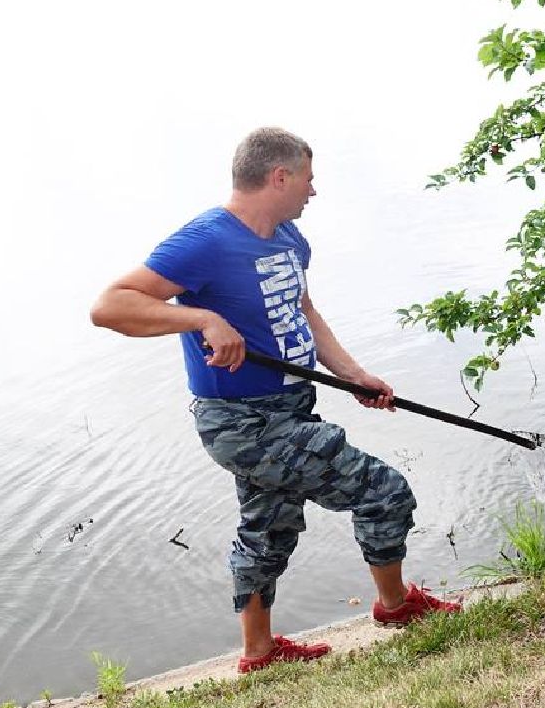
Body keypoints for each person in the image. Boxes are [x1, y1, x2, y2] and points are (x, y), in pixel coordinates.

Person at [91, 128, 460, 673]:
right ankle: (395, 606)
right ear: (278, 177)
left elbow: (304, 312)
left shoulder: (290, 239)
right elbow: (110, 306)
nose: (314, 191)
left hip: (291, 406)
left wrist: (356, 376)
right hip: (240, 423)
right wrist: (203, 318)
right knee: (383, 491)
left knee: (268, 528)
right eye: (308, 179)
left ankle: (258, 653)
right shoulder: (206, 239)